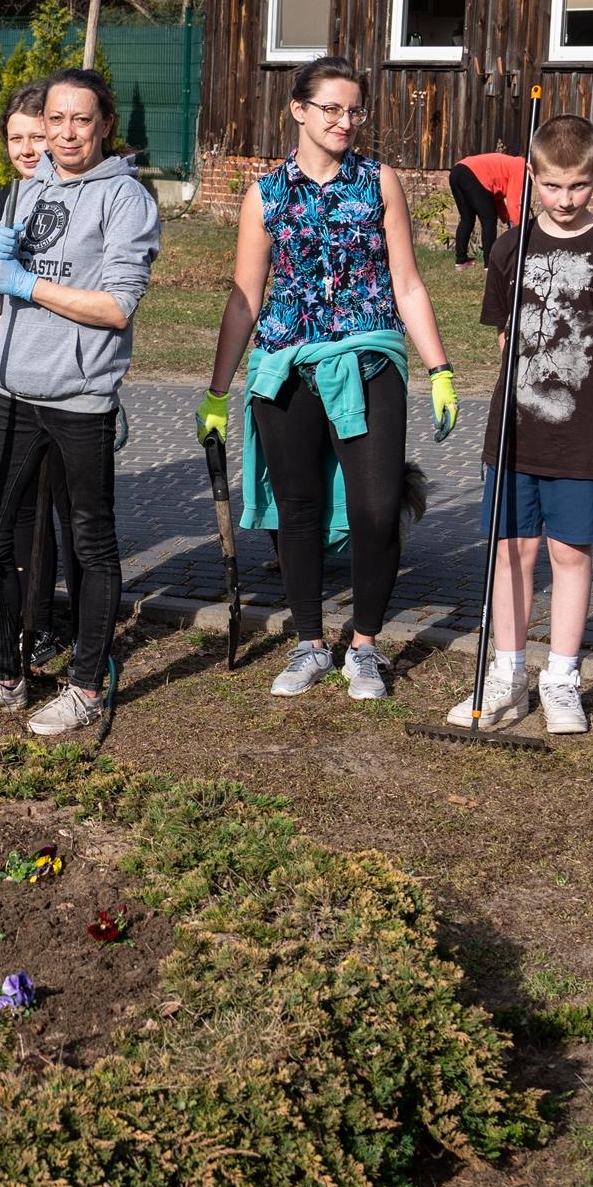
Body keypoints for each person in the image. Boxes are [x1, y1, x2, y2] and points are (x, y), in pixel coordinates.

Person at [196, 56, 457, 704]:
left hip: (368, 361)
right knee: (299, 511)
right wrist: (217, 390)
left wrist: (440, 367)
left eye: (355, 110)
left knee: (375, 509)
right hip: (284, 367)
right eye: (332, 108)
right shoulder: (266, 194)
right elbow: (243, 300)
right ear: (299, 110)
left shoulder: (379, 182)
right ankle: (310, 642)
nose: (346, 121)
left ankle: (364, 647)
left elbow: (408, 283)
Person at [0, 69, 158, 737]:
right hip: (10, 386)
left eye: (80, 120)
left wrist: (26, 284)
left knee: (90, 541)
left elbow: (117, 307)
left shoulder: (126, 200)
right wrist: (2, 269)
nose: (64, 133)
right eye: (55, 119)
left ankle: (87, 683)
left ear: (103, 126)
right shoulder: (28, 191)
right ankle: (6, 674)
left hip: (80, 395)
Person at [447, 113, 593, 736]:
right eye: (554, 185)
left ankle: (560, 678)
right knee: (512, 552)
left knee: (570, 554)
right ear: (531, 177)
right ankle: (506, 673)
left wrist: (590, 398)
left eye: (579, 187)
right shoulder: (510, 247)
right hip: (512, 434)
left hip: (580, 438)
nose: (565, 200)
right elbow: (506, 338)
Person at [0, 80, 78, 673]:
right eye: (15, 138)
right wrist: (8, 345)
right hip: (4, 370)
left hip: (68, 371)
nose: (27, 149)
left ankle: (73, 614)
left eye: (37, 135)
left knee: (68, 499)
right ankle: (32, 621)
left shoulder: (78, 201)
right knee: (18, 500)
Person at [450, 148, 527, 268]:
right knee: (489, 220)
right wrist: (518, 228)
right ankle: (489, 265)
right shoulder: (521, 167)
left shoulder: (511, 165)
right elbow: (513, 203)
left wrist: (506, 219)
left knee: (467, 219)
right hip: (474, 173)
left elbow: (497, 199)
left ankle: (461, 261)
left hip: (457, 171)